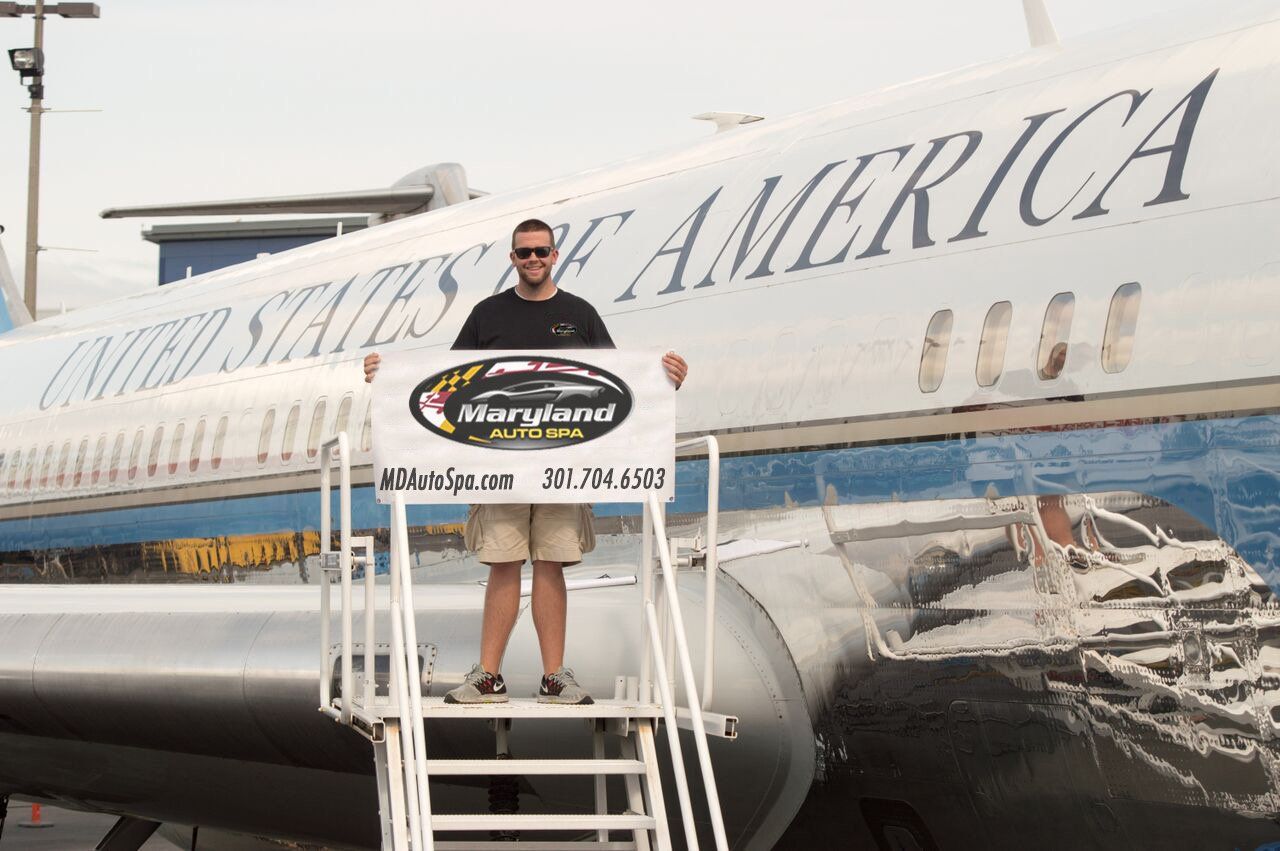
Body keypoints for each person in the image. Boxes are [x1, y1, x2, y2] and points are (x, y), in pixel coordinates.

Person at [363, 218, 688, 705]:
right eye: (523, 253)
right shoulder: (487, 315)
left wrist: (667, 381)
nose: (533, 259)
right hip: (498, 471)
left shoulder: (580, 315)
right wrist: (387, 379)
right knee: (503, 564)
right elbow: (443, 381)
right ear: (512, 259)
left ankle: (554, 676)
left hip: (562, 471)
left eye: (541, 251)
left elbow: (623, 382)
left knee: (552, 565)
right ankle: (487, 678)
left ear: (556, 255)